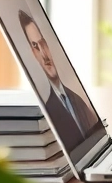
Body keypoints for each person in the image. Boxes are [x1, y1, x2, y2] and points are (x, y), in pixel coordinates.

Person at [18, 9, 99, 147]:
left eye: (43, 43)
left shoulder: (78, 101)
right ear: (33, 54)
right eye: (36, 47)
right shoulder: (48, 112)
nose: (44, 55)